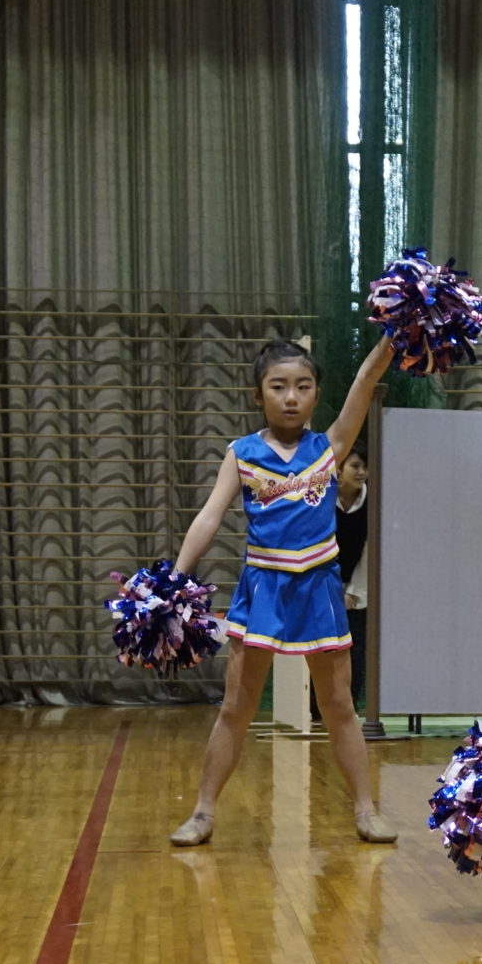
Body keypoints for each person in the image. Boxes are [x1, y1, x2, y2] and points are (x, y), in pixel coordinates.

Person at [167, 337, 397, 846]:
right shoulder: (242, 454)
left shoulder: (330, 447)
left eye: (303, 386)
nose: (291, 397)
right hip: (263, 590)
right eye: (278, 387)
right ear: (258, 395)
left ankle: (365, 810)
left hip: (319, 590)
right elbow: (210, 516)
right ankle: (202, 813)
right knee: (236, 708)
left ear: (316, 394)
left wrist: (396, 331)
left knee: (339, 707)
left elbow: (365, 380)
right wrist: (177, 578)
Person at [336, 446, 370, 706]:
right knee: (323, 647)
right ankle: (317, 708)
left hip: (359, 586)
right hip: (324, 582)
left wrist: (353, 591)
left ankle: (350, 704)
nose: (362, 472)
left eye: (365, 467)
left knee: (356, 646)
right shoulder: (323, 500)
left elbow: (371, 550)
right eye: (355, 466)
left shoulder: (374, 503)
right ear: (339, 469)